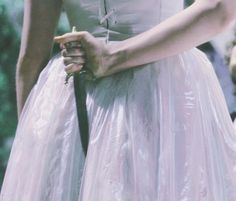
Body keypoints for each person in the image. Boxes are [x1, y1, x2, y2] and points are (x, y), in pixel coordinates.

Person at [1, 0, 236, 200]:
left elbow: (32, 59)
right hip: (165, 93)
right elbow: (220, 8)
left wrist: (31, 160)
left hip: (82, 99)